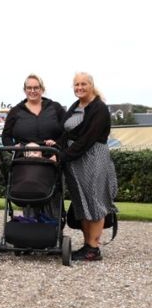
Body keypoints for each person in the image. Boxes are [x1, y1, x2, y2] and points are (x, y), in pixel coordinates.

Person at [59, 73, 117, 262]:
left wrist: (63, 155)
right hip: (76, 161)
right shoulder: (75, 107)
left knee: (95, 201)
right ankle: (87, 245)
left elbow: (87, 138)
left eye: (83, 84)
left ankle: (93, 247)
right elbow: (65, 132)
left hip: (93, 158)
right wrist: (56, 145)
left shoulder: (99, 108)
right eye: (76, 84)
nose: (79, 87)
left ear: (91, 85)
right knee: (81, 201)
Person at [2, 74, 66, 151]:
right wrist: (13, 148)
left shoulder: (56, 107)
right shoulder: (15, 111)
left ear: (42, 89)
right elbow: (6, 136)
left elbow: (66, 132)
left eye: (36, 88)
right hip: (23, 158)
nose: (32, 91)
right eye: (29, 88)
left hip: (51, 156)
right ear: (24, 90)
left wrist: (57, 143)